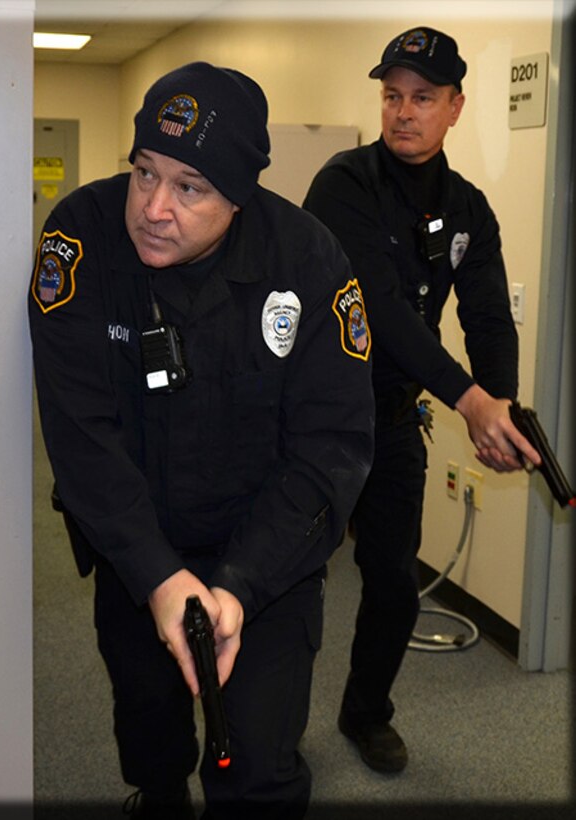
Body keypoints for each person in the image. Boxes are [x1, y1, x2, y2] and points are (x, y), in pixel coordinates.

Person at [29, 61, 375, 819]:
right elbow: (81, 434)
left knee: (256, 764)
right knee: (151, 730)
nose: (153, 208)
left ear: (241, 196)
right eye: (144, 172)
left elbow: (331, 449)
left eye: (190, 187)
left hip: (269, 552)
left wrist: (239, 586)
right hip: (136, 541)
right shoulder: (78, 242)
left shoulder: (309, 263)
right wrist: (157, 575)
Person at [303, 27, 541, 775]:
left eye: (422, 98)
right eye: (392, 96)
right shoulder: (344, 185)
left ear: (455, 108)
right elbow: (380, 311)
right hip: (311, 418)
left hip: (394, 418)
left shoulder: (468, 208)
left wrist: (498, 408)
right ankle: (267, 733)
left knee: (393, 581)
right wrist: (469, 399)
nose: (403, 112)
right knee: (286, 578)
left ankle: (365, 713)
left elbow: (486, 314)